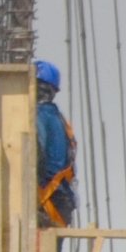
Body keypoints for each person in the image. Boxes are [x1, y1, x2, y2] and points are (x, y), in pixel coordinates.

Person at [36, 60, 77, 228]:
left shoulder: (38, 116)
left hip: (48, 200)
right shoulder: (58, 118)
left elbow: (35, 157)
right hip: (61, 200)